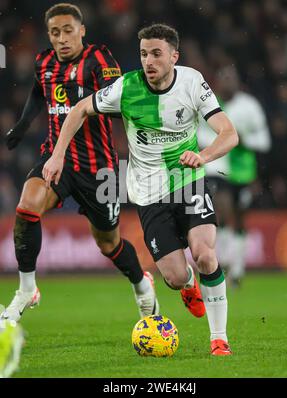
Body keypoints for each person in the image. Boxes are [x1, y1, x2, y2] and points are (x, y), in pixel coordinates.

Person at [43, 24, 239, 355]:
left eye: (157, 54)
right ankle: (188, 285)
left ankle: (218, 339)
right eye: (144, 54)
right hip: (149, 194)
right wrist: (57, 154)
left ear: (174, 57)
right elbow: (78, 110)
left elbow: (229, 133)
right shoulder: (126, 87)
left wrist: (203, 156)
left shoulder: (192, 82)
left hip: (187, 182)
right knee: (176, 276)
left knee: (206, 255)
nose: (149, 60)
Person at [1, 3, 160, 322]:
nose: (62, 38)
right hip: (56, 159)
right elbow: (38, 91)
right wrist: (22, 124)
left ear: (82, 31)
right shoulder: (44, 61)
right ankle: (27, 288)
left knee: (108, 243)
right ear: (49, 35)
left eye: (68, 31)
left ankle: (142, 284)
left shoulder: (99, 59)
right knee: (27, 208)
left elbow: (118, 101)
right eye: (55, 32)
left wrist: (88, 105)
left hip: (99, 168)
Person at [198, 65, 271, 287]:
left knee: (238, 219)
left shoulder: (249, 106)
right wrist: (216, 144)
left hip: (244, 172)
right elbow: (199, 133)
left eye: (231, 78)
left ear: (238, 82)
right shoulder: (209, 104)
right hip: (217, 168)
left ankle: (237, 269)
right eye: (223, 78)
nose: (227, 82)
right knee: (221, 211)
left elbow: (264, 141)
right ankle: (219, 265)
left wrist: (241, 138)